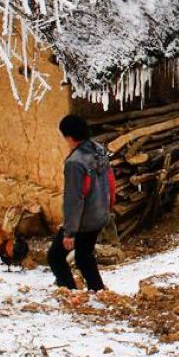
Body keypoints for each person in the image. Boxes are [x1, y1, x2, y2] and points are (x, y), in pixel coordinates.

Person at [47, 114, 114, 291]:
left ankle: (70, 292)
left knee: (55, 257)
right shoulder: (98, 150)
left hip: (84, 220)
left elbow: (74, 200)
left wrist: (69, 232)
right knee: (84, 257)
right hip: (100, 214)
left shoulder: (75, 163)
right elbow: (110, 181)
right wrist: (109, 207)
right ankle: (98, 292)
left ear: (69, 136)